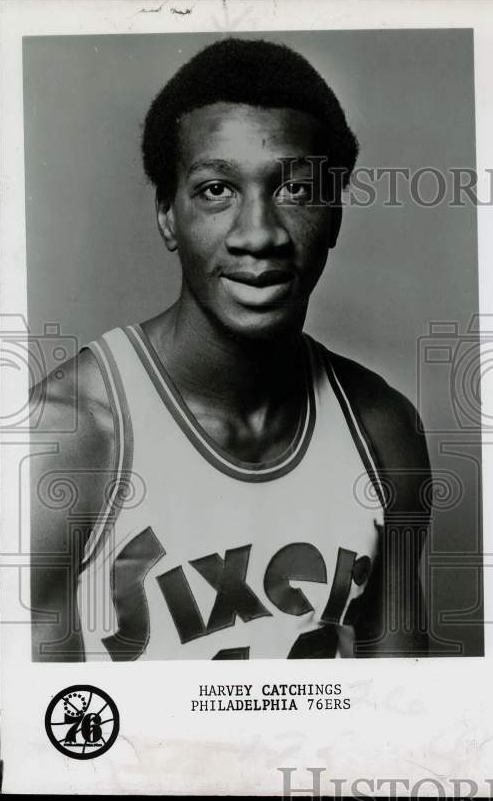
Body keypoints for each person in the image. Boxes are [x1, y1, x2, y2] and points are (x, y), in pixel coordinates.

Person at [29, 38, 431, 661]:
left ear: (335, 215)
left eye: (295, 190)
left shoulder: (385, 431)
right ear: (167, 214)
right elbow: (39, 743)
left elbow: (404, 720)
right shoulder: (63, 437)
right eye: (216, 189)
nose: (258, 234)